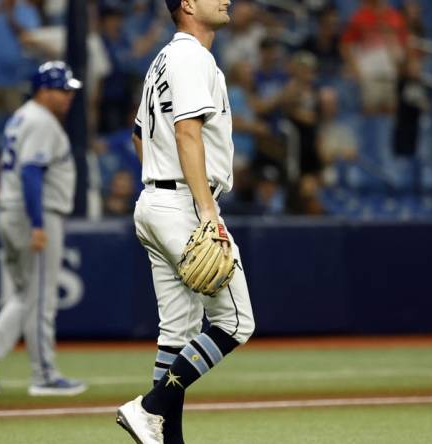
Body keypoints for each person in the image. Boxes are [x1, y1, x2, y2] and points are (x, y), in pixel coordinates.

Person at [116, 1, 256, 443]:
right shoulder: (193, 56)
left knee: (177, 333)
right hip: (184, 204)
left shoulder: (161, 59)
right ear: (188, 5)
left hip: (156, 201)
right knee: (236, 323)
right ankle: (150, 407)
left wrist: (159, 184)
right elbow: (187, 131)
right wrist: (204, 210)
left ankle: (165, 437)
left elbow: (140, 135)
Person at [0, 61, 86, 397]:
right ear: (43, 90)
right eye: (62, 90)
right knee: (40, 298)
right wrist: (38, 224)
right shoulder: (40, 121)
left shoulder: (22, 116)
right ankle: (44, 375)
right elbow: (31, 174)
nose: (68, 97)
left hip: (13, 211)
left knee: (26, 295)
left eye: (69, 90)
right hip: (33, 213)